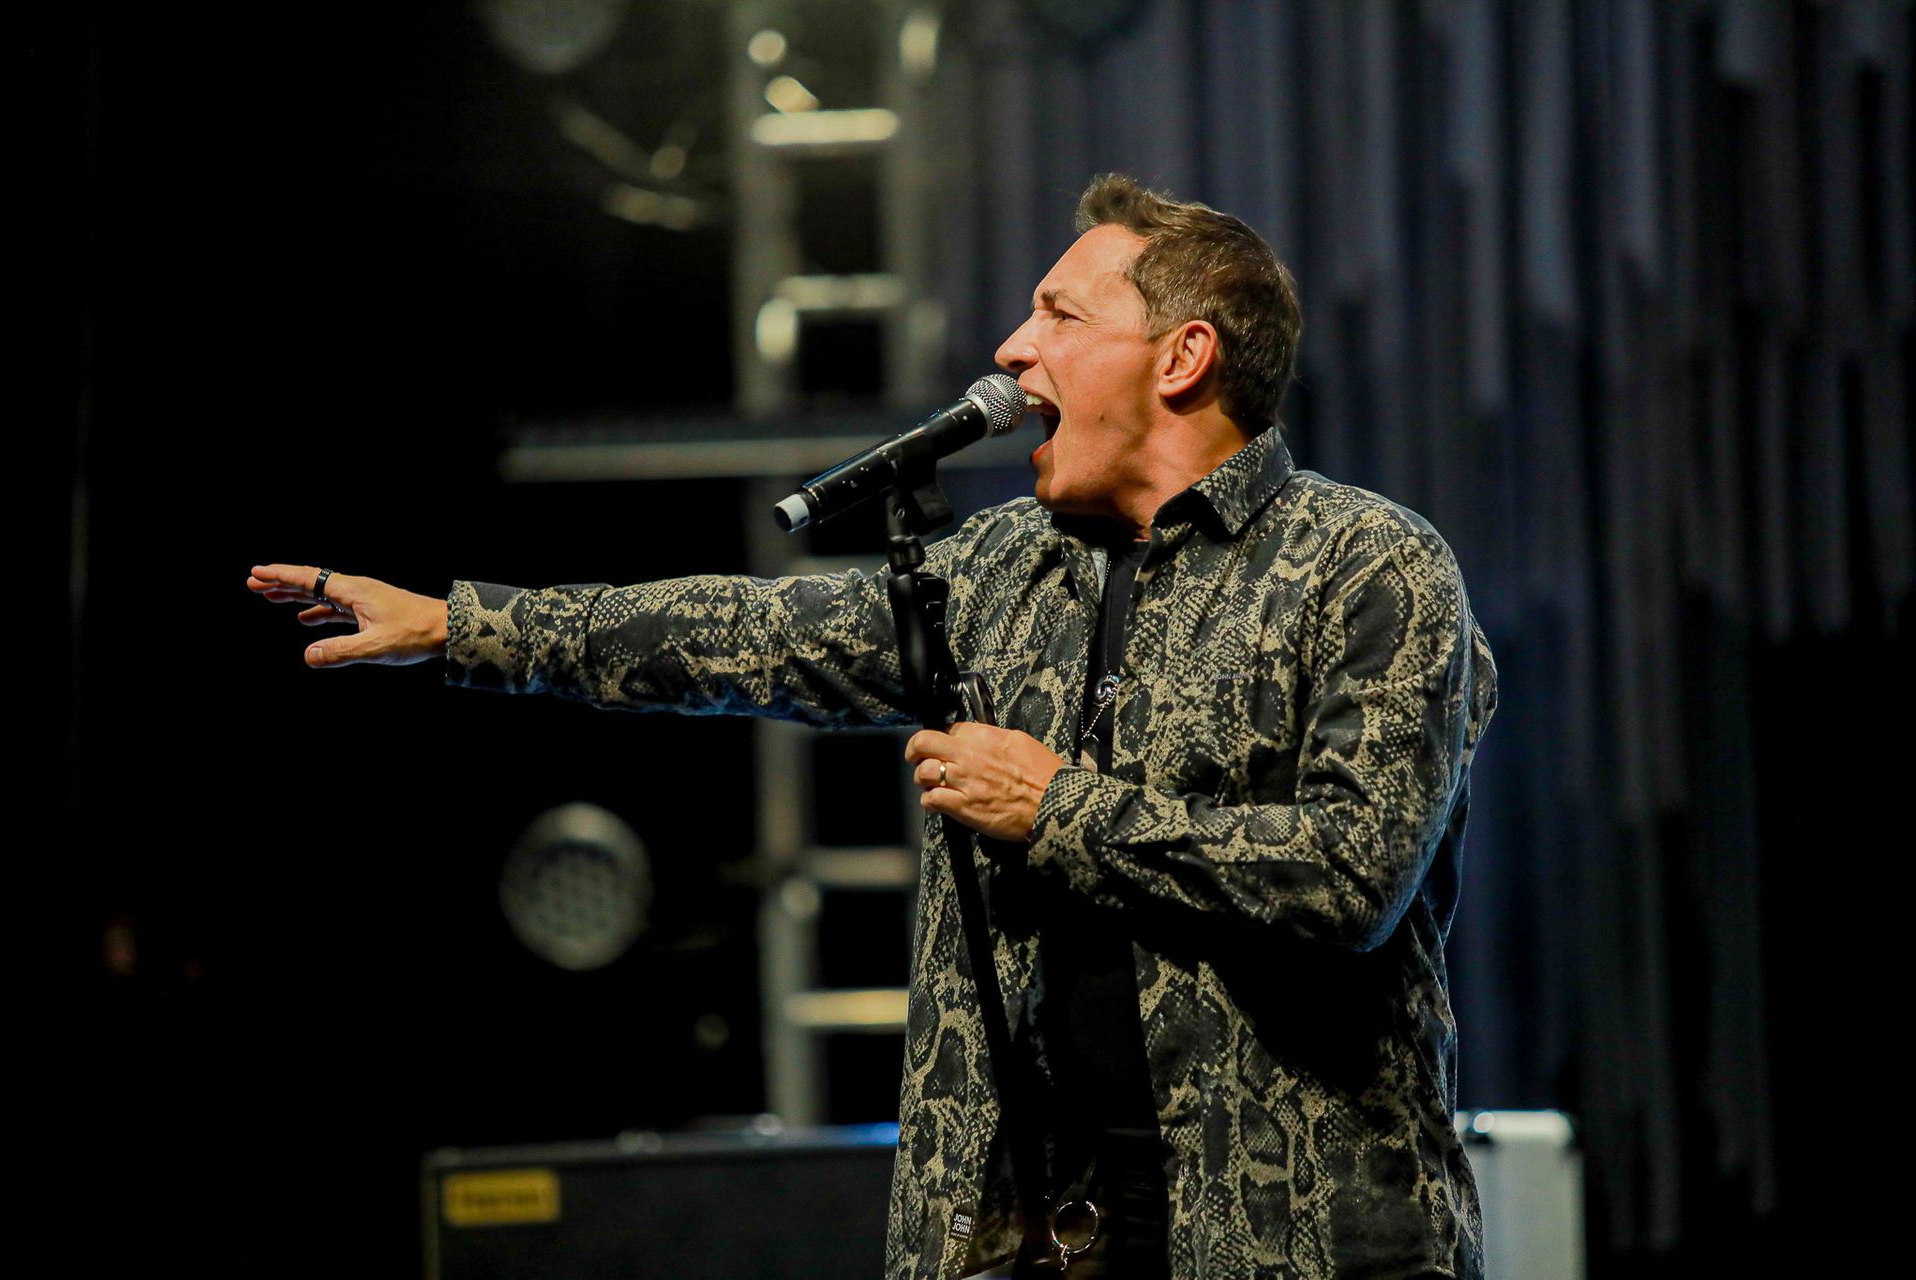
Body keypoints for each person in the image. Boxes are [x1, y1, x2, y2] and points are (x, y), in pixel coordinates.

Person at [250, 174, 1497, 1279]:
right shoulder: (1008, 567)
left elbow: (1352, 872)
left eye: (1061, 315)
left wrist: (1058, 807)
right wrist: (460, 625)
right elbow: (747, 634)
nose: (1014, 348)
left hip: (1301, 1237)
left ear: (1181, 357)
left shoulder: (1366, 567)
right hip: (1034, 1237)